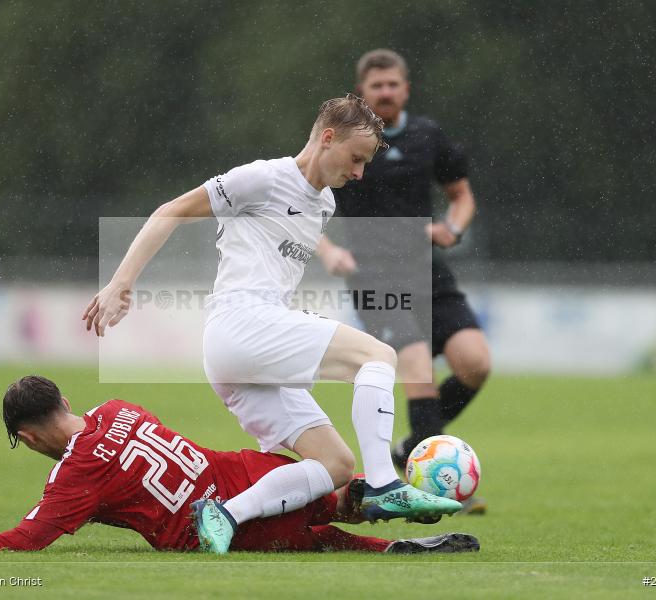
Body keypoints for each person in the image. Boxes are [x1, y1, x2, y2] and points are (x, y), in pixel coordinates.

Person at [82, 94, 462, 554]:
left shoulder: (324, 204)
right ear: (327, 138)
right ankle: (383, 483)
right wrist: (120, 283)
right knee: (378, 356)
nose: (359, 173)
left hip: (239, 357)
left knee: (336, 465)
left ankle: (223, 514)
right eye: (356, 159)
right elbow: (171, 210)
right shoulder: (262, 178)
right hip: (242, 322)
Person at [0, 375, 475, 555]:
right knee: (330, 504)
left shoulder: (75, 474)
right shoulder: (116, 408)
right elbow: (116, 460)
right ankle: (404, 526)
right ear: (65, 400)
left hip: (209, 521)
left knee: (312, 531)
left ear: (30, 436)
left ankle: (394, 525)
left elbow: (28, 537)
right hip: (245, 470)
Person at [321, 50, 491, 513]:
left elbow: (461, 196)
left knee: (475, 363)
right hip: (373, 274)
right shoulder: (343, 141)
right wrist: (329, 249)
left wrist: (453, 228)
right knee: (417, 366)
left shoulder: (426, 135)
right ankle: (436, 486)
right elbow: (303, 196)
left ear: (406, 88)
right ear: (362, 93)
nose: (386, 92)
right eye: (377, 86)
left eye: (393, 84)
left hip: (427, 267)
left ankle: (415, 444)